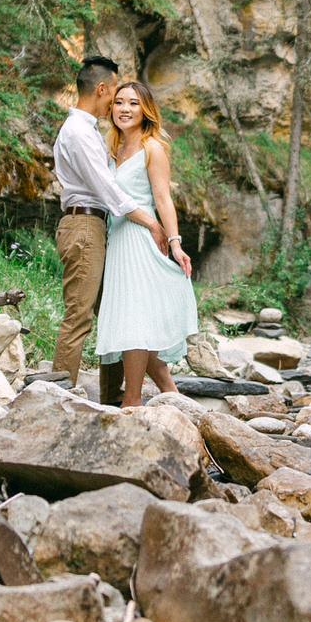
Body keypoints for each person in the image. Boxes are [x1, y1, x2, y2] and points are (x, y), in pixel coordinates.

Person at [51, 56, 163, 391]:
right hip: (84, 227)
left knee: (112, 311)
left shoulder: (87, 131)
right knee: (79, 315)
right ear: (101, 89)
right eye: (114, 93)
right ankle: (56, 396)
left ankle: (113, 395)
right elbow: (108, 190)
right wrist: (151, 223)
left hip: (95, 227)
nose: (116, 102)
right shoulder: (78, 133)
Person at [93, 80, 197, 406]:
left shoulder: (152, 148)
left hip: (140, 239)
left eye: (133, 103)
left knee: (135, 319)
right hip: (116, 240)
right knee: (133, 320)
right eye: (119, 102)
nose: (125, 109)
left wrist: (176, 243)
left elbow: (163, 199)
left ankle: (132, 402)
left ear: (146, 110)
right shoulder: (111, 149)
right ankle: (173, 397)